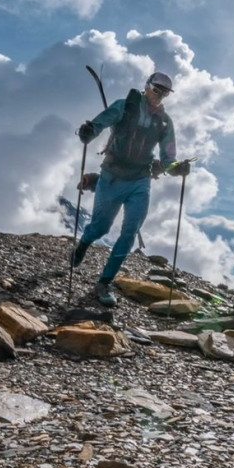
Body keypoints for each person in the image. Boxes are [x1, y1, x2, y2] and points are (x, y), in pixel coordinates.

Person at [72, 71, 190, 305]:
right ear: (147, 86)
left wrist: (177, 168)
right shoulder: (124, 106)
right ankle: (84, 242)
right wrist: (88, 132)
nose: (160, 96)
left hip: (140, 181)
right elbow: (100, 123)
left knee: (129, 233)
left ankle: (103, 283)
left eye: (165, 93)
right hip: (112, 176)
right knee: (101, 228)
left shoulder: (165, 122)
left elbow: (168, 157)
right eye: (157, 90)